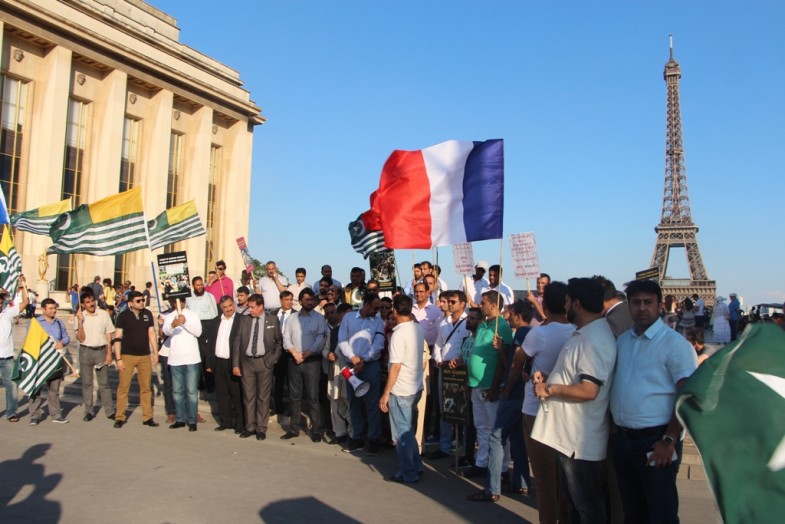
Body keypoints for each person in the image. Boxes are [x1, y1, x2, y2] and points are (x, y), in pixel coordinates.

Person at [610, 279, 698, 523]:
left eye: (648, 302)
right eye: (636, 302)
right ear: (628, 306)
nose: (642, 308)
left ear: (660, 305)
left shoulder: (675, 344)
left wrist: (669, 440)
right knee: (633, 513)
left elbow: (687, 396)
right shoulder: (623, 341)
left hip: (656, 441)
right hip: (624, 440)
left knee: (661, 514)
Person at [532, 277, 617, 523]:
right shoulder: (585, 334)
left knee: (585, 506)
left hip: (579, 441)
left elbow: (589, 390)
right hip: (570, 439)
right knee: (574, 503)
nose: (565, 306)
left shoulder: (594, 339)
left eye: (567, 301)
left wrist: (550, 389)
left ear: (577, 304)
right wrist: (549, 378)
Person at [521, 281, 574, 524]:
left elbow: (519, 360)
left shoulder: (539, 333)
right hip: (566, 409)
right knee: (563, 477)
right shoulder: (577, 332)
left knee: (544, 479)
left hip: (537, 408)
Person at [474, 299, 533, 502]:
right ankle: (521, 483)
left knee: (496, 438)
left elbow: (516, 364)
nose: (509, 316)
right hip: (520, 395)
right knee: (517, 439)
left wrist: (506, 389)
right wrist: (501, 349)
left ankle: (492, 488)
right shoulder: (524, 333)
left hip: (514, 394)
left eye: (512, 313)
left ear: (519, 316)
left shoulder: (522, 334)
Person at [463, 290, 513, 484]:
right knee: (481, 427)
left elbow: (503, 359)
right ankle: (482, 462)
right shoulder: (483, 324)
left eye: (483, 302)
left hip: (491, 385)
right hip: (476, 384)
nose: (480, 305)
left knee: (496, 430)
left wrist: (494, 386)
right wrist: (469, 382)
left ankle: (502, 467)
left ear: (493, 305)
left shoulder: (503, 326)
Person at [380, 294, 425, 483]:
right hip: (415, 387)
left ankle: (409, 472)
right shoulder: (417, 327)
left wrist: (385, 393)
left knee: (401, 434)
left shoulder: (399, 334)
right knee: (407, 430)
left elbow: (395, 366)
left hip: (401, 390)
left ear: (395, 311)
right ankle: (416, 466)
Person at [338, 292, 385, 454]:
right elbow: (342, 340)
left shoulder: (378, 321)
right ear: (366, 305)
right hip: (351, 366)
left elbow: (378, 344)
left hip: (370, 366)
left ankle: (373, 438)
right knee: (354, 402)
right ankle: (357, 437)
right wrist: (353, 358)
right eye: (375, 308)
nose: (377, 311)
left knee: (372, 404)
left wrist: (363, 359)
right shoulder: (348, 318)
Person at [232, 294, 282, 441]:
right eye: (249, 307)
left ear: (261, 306)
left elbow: (278, 342)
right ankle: (250, 426)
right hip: (247, 362)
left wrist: (272, 359)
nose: (250, 310)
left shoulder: (272, 320)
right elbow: (237, 342)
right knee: (248, 396)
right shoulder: (244, 320)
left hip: (264, 362)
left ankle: (261, 428)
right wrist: (236, 364)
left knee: (263, 397)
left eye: (253, 307)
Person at [281, 288, 328, 441]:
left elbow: (321, 337)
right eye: (307, 300)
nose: (310, 302)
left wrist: (309, 352)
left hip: (312, 361)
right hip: (294, 360)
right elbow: (286, 338)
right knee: (294, 396)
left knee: (313, 397)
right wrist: (295, 353)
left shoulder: (319, 318)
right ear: (300, 301)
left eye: (312, 300)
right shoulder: (292, 318)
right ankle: (294, 429)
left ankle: (316, 430)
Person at [429, 290, 469, 459]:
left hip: (461, 369)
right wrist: (438, 361)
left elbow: (468, 345)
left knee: (462, 408)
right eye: (449, 301)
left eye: (453, 302)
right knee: (445, 407)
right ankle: (444, 446)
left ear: (463, 304)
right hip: (444, 369)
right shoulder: (443, 322)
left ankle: (464, 447)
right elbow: (438, 344)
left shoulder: (468, 322)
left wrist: (459, 360)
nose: (450, 304)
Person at [113, 290, 159, 428]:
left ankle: (147, 417)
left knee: (146, 388)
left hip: (144, 355)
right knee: (123, 387)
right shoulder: (123, 316)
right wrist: (118, 359)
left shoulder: (147, 314)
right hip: (127, 355)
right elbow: (117, 337)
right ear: (130, 303)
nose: (141, 303)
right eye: (138, 301)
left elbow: (151, 333)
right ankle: (120, 417)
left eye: (143, 300)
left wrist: (155, 353)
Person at [205, 295, 245, 433]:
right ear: (221, 308)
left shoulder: (241, 320)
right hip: (218, 362)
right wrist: (209, 363)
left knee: (237, 395)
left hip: (234, 363)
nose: (228, 309)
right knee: (222, 394)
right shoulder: (215, 321)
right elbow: (210, 343)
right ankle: (225, 421)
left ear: (234, 304)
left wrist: (239, 364)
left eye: (230, 306)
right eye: (225, 307)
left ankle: (240, 424)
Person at [75, 291, 115, 421]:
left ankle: (109, 411)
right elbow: (80, 338)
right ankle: (89, 411)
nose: (91, 304)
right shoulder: (80, 316)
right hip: (85, 351)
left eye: (92, 301)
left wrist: (109, 353)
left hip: (101, 350)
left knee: (104, 383)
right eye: (87, 302)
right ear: (83, 304)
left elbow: (109, 334)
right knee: (87, 383)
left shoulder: (103, 314)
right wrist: (80, 321)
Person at [29, 298, 71, 425]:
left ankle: (56, 414)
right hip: (40, 360)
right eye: (51, 308)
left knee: (54, 390)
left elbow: (66, 337)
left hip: (55, 360)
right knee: (35, 389)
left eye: (55, 308)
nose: (54, 311)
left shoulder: (59, 323)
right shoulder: (36, 323)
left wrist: (62, 342)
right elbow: (29, 339)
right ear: (43, 309)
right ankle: (35, 415)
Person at [163, 300, 202, 431]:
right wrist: (172, 325)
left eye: (182, 300)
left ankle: (192, 420)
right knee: (177, 391)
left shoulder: (193, 314)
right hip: (175, 358)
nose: (180, 303)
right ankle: (179, 419)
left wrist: (186, 322)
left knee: (191, 391)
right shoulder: (169, 316)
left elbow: (198, 332)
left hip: (191, 358)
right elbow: (165, 331)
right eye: (177, 301)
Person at [323, 303, 354, 445]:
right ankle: (339, 432)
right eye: (346, 314)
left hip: (349, 370)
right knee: (334, 401)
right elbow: (325, 349)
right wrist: (328, 354)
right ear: (340, 315)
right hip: (335, 369)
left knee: (349, 402)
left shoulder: (355, 331)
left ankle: (353, 434)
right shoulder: (334, 331)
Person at [0, 277, 28, 423]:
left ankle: (11, 412)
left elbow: (25, 303)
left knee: (11, 385)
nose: (0, 303)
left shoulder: (8, 313)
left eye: (1, 301)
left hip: (7, 358)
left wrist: (23, 285)